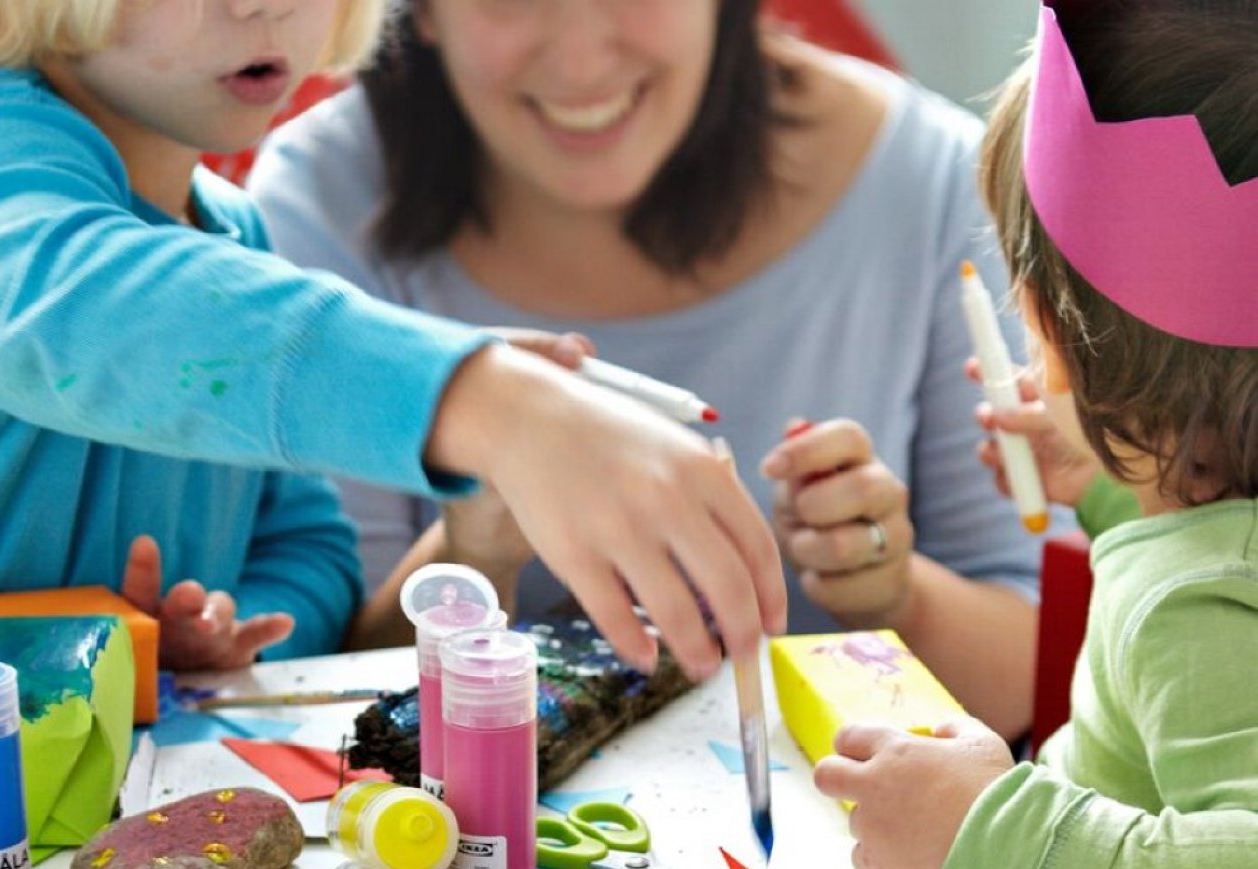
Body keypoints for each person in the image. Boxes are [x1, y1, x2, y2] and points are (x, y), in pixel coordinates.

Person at [0, 0, 785, 676]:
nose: (265, 6)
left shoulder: (235, 232)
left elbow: (308, 555)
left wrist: (237, 633)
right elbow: (99, 307)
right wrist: (491, 401)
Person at [249, 2, 1043, 738]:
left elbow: (1037, 678)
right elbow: (314, 706)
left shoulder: (930, 178)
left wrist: (894, 594)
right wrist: (472, 549)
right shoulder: (316, 200)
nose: (582, 61)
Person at [813, 0, 1258, 869]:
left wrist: (986, 831)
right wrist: (1118, 481)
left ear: (1049, 337)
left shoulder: (1196, 606)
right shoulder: (1212, 546)